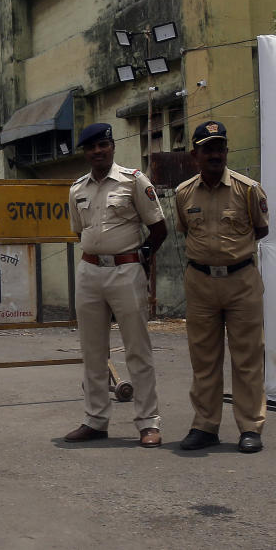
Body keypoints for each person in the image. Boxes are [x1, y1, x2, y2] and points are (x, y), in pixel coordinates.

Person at [64, 122, 167, 448]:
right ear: (86, 152)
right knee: (93, 350)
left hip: (126, 270)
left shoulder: (134, 180)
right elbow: (81, 233)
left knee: (137, 348)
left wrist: (142, 258)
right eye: (91, 147)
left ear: (112, 146)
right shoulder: (77, 189)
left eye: (103, 145)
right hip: (90, 272)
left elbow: (158, 227)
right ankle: (95, 420)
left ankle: (148, 422)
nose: (98, 151)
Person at [174, 120, 268, 453]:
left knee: (247, 357)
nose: (215, 154)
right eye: (207, 149)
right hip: (200, 283)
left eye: (219, 147)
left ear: (226, 150)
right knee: (204, 358)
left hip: (241, 280)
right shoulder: (183, 193)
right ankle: (205, 426)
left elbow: (260, 229)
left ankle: (250, 427)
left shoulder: (248, 189)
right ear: (194, 155)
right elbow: (186, 229)